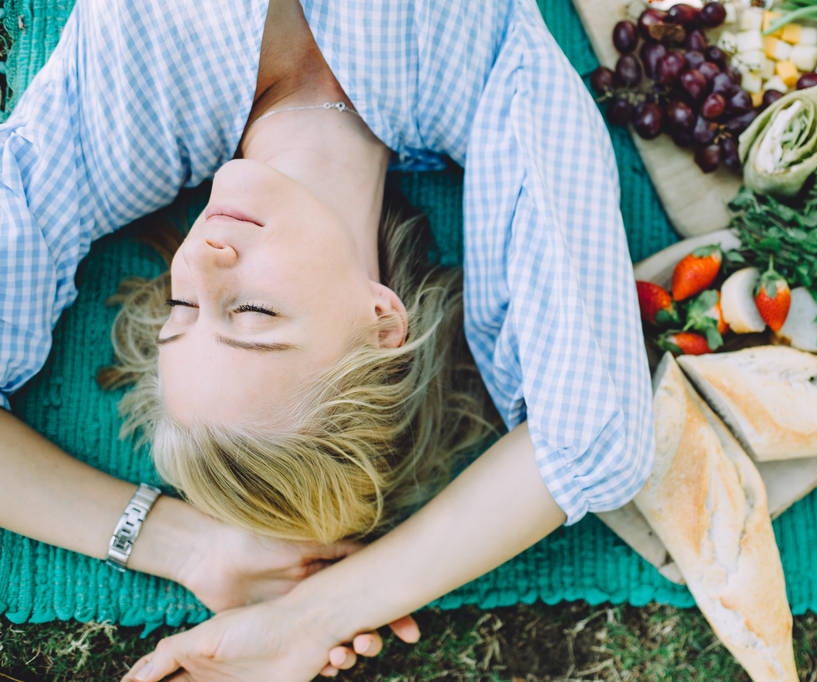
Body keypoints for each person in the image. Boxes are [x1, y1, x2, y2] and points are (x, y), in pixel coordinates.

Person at [0, 0, 655, 679]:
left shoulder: (123, 116)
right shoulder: (492, 76)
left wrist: (186, 548)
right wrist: (313, 614)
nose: (199, 259)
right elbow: (593, 438)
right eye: (252, 313)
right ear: (381, 324)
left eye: (183, 305)